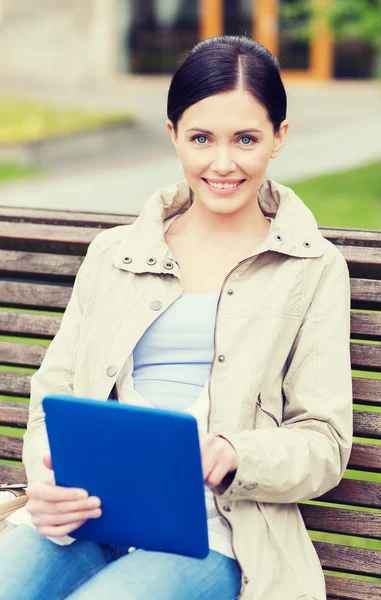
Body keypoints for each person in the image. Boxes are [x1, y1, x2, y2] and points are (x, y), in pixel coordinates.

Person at [0, 35, 353, 600]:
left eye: (245, 139)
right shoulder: (115, 252)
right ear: (173, 137)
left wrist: (238, 453)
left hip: (217, 535)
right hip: (87, 517)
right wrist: (45, 482)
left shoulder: (312, 268)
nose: (222, 162)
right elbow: (54, 394)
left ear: (279, 138)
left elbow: (326, 441)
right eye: (200, 138)